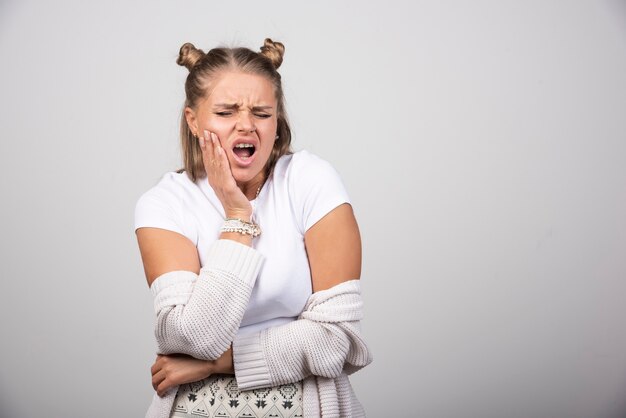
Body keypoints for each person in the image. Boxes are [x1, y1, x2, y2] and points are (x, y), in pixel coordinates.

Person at [134, 38, 372, 418]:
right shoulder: (163, 203)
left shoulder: (310, 180)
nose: (246, 125)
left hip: (307, 406)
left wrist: (218, 362)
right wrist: (237, 216)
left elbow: (338, 341)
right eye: (226, 112)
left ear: (277, 120)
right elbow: (191, 336)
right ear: (193, 120)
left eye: (261, 113)